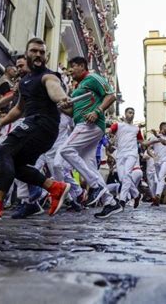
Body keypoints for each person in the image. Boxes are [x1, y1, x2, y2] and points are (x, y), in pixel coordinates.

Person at [0, 37, 71, 221]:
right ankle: (55, 188)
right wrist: (1, 122)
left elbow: (55, 90)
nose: (38, 54)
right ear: (27, 54)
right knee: (17, 166)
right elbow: (19, 109)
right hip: (38, 127)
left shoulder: (48, 76)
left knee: (4, 150)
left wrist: (62, 99)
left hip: (41, 123)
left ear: (45, 56)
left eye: (42, 52)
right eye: (34, 51)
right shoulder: (25, 82)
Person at [57, 56, 118, 219]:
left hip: (89, 124)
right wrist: (63, 108)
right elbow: (72, 112)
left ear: (83, 66)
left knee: (66, 150)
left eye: (73, 66)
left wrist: (97, 111)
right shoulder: (78, 87)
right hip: (82, 124)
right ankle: (110, 202)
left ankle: (95, 186)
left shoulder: (93, 78)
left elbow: (111, 95)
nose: (70, 70)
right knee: (89, 166)